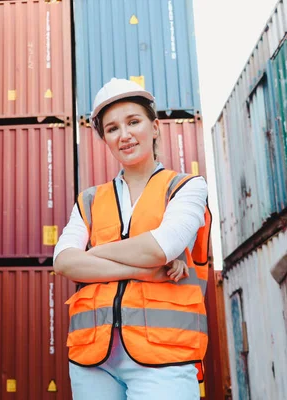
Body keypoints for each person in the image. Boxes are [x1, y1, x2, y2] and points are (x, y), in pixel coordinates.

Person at [53, 78, 211, 400]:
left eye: (133, 122)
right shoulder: (89, 200)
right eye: (112, 129)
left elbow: (160, 248)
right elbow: (63, 261)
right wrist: (142, 269)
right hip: (92, 357)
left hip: (165, 354)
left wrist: (93, 255)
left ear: (154, 128)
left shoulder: (186, 187)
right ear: (105, 140)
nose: (124, 135)